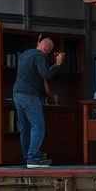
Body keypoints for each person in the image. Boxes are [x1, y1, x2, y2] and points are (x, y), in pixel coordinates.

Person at [13, 37, 64, 168]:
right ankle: (33, 158)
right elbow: (46, 74)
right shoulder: (39, 56)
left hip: (17, 94)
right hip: (30, 95)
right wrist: (57, 64)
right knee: (38, 126)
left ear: (39, 44)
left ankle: (27, 157)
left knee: (25, 128)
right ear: (47, 49)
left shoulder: (25, 54)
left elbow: (32, 74)